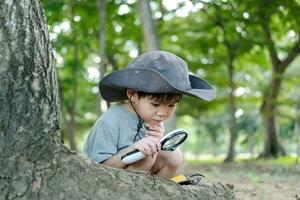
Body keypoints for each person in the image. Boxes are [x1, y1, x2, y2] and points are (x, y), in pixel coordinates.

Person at [83, 51, 215, 179]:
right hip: (111, 176)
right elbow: (99, 167)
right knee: (144, 157)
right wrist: (133, 149)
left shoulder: (152, 119)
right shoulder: (110, 121)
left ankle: (158, 190)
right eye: (155, 104)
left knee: (174, 155)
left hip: (142, 173)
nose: (163, 113)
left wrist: (155, 143)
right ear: (132, 95)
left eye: (171, 105)